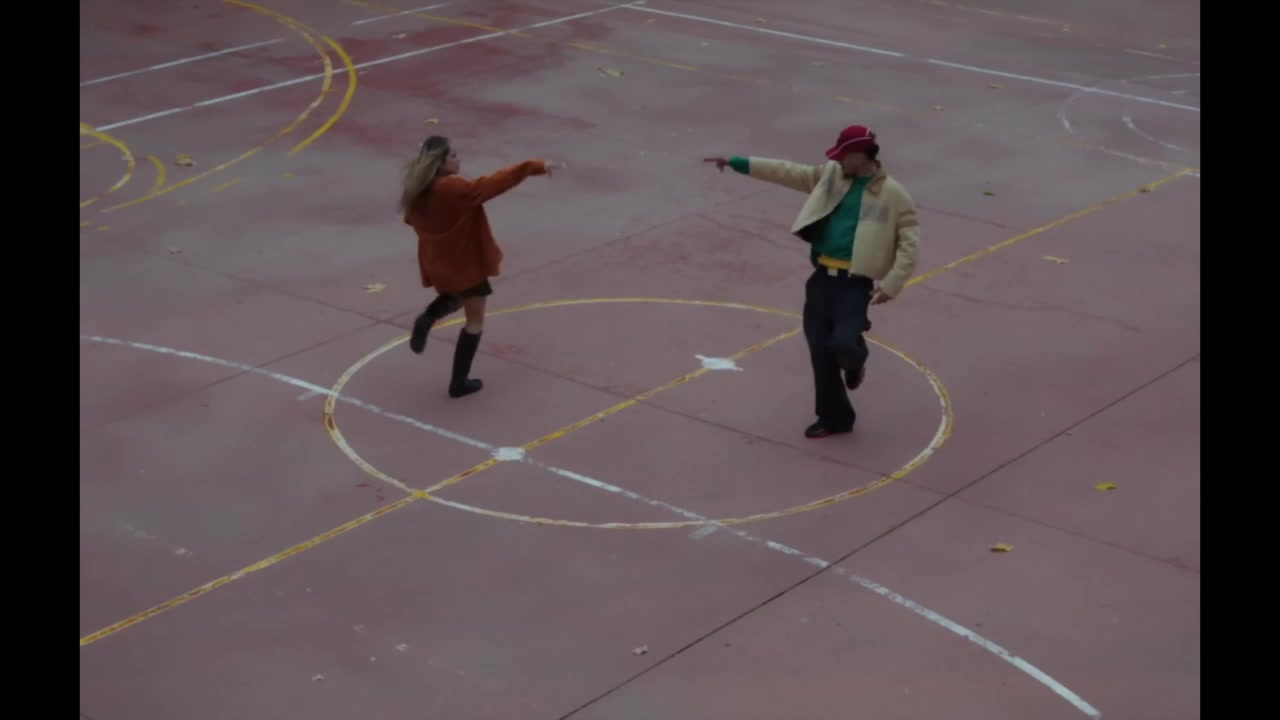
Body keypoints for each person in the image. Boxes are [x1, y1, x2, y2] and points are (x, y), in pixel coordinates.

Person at [704, 125, 920, 439]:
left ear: (859, 157)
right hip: (820, 280)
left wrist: (891, 285)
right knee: (820, 352)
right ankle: (835, 418)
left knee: (844, 343)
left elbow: (910, 243)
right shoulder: (832, 174)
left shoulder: (894, 195)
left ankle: (855, 360)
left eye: (843, 156)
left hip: (854, 285)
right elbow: (788, 172)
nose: (838, 161)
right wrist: (739, 163)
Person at [399, 135, 559, 398]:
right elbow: (494, 183)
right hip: (465, 263)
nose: (458, 159)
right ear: (440, 163)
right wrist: (532, 166)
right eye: (453, 156)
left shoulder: (418, 191)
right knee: (474, 321)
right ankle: (458, 382)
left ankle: (428, 318)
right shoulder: (454, 188)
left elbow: (409, 220)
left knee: (455, 295)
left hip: (436, 261)